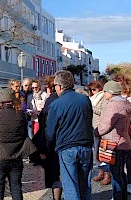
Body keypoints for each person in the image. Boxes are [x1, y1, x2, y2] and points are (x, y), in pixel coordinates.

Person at [46, 70, 94, 200]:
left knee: (70, 186)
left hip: (67, 148)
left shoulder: (56, 104)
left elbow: (50, 132)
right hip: (86, 146)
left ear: (60, 86)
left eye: (55, 86)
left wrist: (50, 147)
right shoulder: (85, 100)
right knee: (85, 185)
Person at [0, 88, 36, 200]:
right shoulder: (21, 115)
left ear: (1, 101)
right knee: (16, 188)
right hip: (16, 156)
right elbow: (24, 135)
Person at [95, 81, 131, 200]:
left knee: (116, 174)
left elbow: (106, 125)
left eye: (105, 92)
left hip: (114, 144)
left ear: (110, 92)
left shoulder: (113, 105)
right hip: (125, 142)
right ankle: (123, 196)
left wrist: (95, 132)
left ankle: (118, 197)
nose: (104, 94)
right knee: (121, 172)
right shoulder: (125, 103)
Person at [33, 75, 63, 200]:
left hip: (53, 142)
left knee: (55, 173)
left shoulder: (50, 101)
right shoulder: (57, 100)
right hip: (61, 141)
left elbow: (46, 125)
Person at [88, 80, 112, 186]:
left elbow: (103, 111)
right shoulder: (92, 98)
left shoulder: (103, 97)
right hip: (92, 126)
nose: (93, 91)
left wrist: (91, 107)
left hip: (100, 127)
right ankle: (100, 172)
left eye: (94, 89)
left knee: (103, 152)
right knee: (95, 152)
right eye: (91, 90)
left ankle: (107, 174)